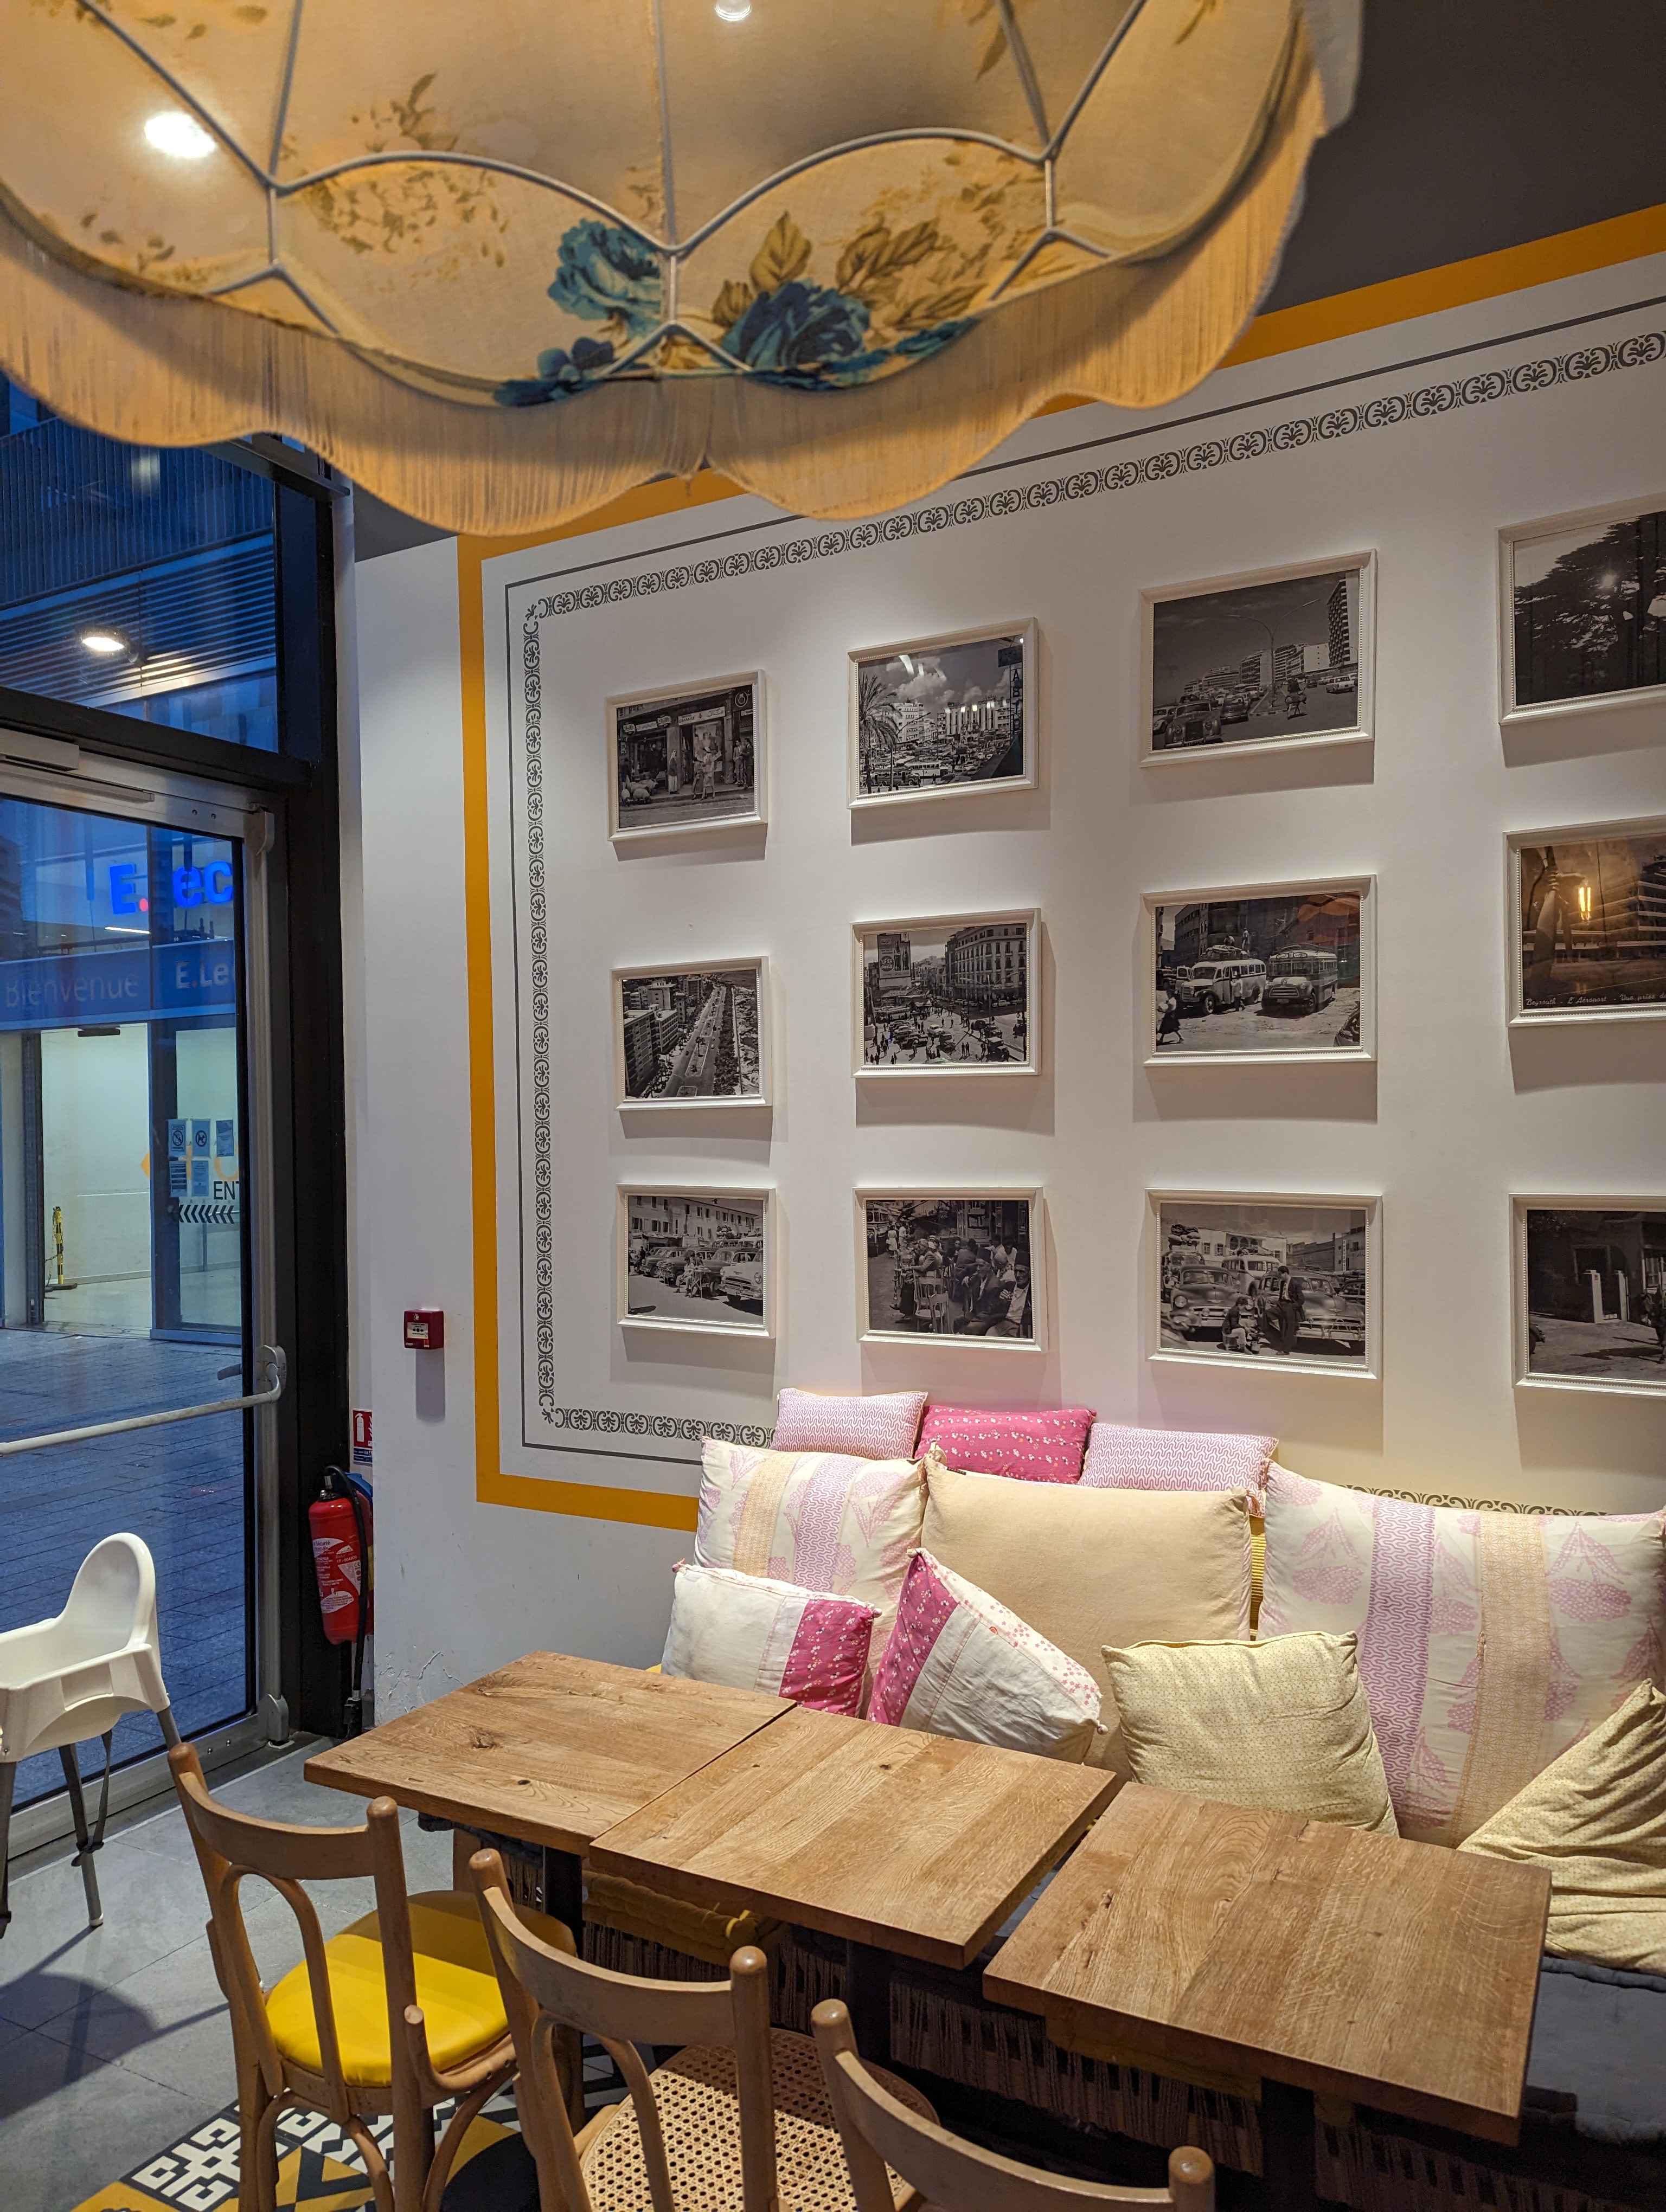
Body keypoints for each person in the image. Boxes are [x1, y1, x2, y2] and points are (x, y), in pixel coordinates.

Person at [1644, 1282, 1666, 1364]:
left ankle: (1663, 1356)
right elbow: (1653, 1310)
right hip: (1660, 1320)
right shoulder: (1657, 1302)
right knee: (1660, 1332)